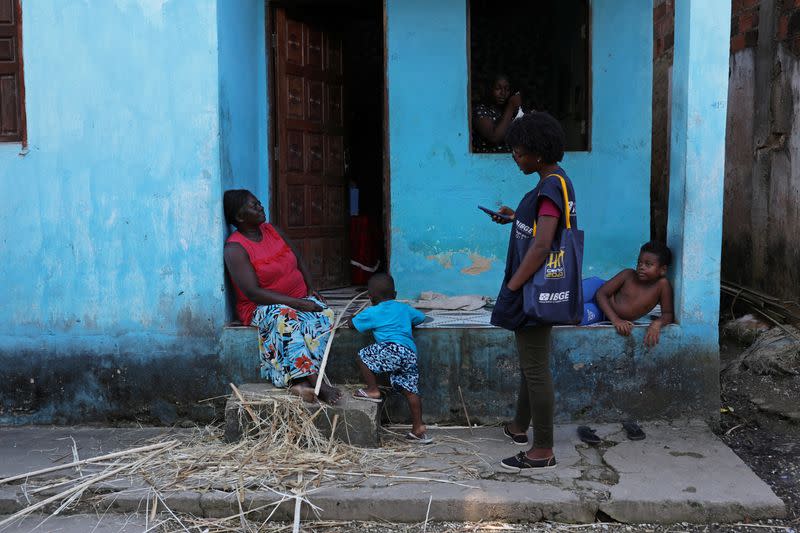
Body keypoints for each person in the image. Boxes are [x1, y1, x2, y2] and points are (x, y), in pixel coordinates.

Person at [487, 112, 578, 471]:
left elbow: (542, 246)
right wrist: (515, 217)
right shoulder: (553, 181)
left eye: (519, 151)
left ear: (537, 152)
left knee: (536, 368)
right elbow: (544, 227)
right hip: (535, 286)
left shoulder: (550, 185)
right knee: (531, 363)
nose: (515, 156)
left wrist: (513, 285)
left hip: (533, 287)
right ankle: (517, 427)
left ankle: (543, 450)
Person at [222, 189, 342, 405]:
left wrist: (311, 288)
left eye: (259, 203)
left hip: (298, 299)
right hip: (261, 306)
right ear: (240, 217)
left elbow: (297, 257)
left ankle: (299, 383)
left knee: (326, 314)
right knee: (285, 318)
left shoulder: (272, 230)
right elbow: (252, 292)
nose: (261, 207)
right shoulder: (235, 248)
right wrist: (298, 303)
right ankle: (316, 382)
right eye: (254, 206)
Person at [348, 273, 431, 444]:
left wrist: (351, 318)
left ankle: (372, 390)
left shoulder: (372, 311)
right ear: (395, 295)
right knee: (410, 389)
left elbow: (353, 324)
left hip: (391, 349)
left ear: (371, 298)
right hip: (409, 352)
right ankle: (418, 428)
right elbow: (421, 318)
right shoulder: (404, 308)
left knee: (362, 356)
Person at [582, 241, 674, 347]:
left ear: (663, 270)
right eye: (639, 262)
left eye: (648, 264)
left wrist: (657, 324)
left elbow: (668, 314)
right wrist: (616, 320)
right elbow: (601, 294)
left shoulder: (662, 285)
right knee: (567, 298)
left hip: (602, 312)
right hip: (596, 288)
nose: (641, 267)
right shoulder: (628, 274)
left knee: (575, 316)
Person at [472, 74, 523, 153]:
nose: (503, 93)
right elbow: (494, 137)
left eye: (507, 89)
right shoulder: (480, 110)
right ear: (490, 89)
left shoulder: (513, 113)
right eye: (498, 88)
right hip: (486, 163)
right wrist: (511, 107)